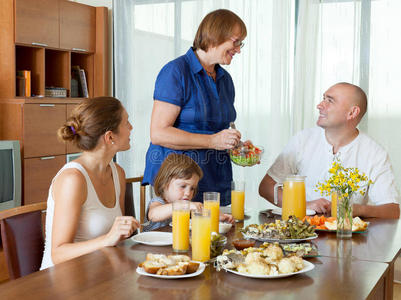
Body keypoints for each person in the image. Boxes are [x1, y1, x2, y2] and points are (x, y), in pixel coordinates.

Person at [142, 9, 247, 206]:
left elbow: (218, 132)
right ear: (216, 35)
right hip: (177, 183)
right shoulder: (175, 72)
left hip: (212, 176)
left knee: (215, 236)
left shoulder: (225, 80)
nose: (239, 49)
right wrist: (212, 141)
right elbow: (158, 133)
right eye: (236, 42)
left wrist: (236, 147)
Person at [259, 82, 400, 219]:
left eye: (330, 101)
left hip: (346, 238)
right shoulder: (303, 140)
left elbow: (392, 210)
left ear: (352, 113)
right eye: (323, 98)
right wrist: (304, 205)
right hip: (300, 234)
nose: (319, 105)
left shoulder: (375, 153)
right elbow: (266, 187)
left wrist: (355, 208)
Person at [41, 97, 140, 270]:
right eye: (126, 122)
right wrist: (107, 239)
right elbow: (58, 254)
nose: (131, 127)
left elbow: (119, 236)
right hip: (61, 282)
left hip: (100, 274)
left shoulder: (117, 173)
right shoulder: (73, 179)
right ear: (110, 137)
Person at [144, 153, 234, 231]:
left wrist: (218, 218)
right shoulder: (158, 202)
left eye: (192, 188)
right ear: (165, 184)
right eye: (183, 186)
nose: (188, 193)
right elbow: (153, 215)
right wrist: (185, 205)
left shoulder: (188, 206)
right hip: (152, 249)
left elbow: (203, 216)